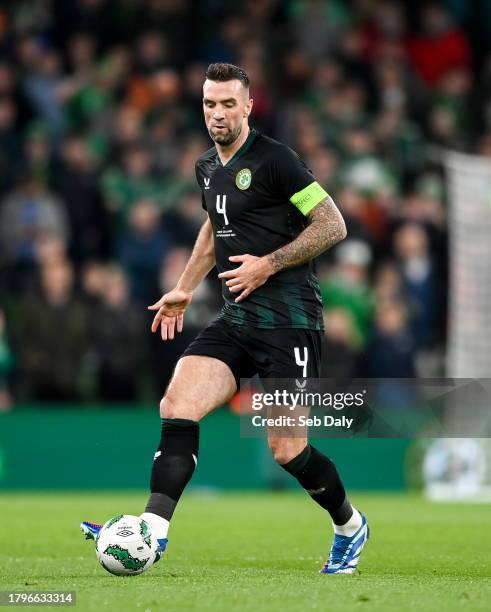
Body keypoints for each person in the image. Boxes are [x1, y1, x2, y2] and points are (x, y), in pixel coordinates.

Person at [80, 63, 369, 574]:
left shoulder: (278, 161)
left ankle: (349, 525)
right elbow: (214, 229)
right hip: (237, 319)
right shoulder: (206, 167)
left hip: (290, 321)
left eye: (228, 104)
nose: (218, 113)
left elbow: (333, 224)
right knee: (178, 402)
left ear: (249, 106)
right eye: (210, 104)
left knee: (287, 451)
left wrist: (269, 263)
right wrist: (184, 288)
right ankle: (153, 530)